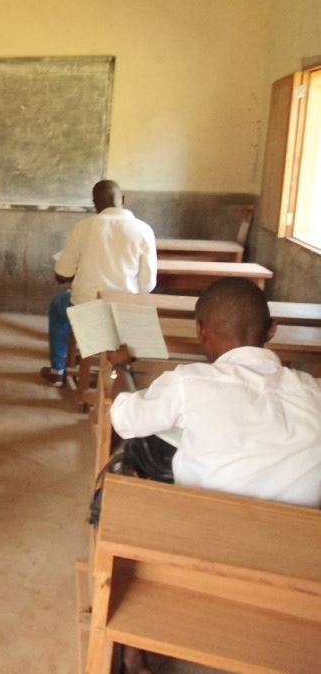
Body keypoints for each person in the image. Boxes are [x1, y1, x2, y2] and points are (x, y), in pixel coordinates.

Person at [106, 277, 321, 674]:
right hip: (301, 575)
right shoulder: (314, 392)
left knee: (126, 465)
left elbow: (123, 418)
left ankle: (131, 651)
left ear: (201, 332)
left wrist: (120, 369)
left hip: (201, 559)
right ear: (272, 331)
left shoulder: (189, 382)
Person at [41, 180, 156, 386]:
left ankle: (57, 370)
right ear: (123, 199)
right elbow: (147, 285)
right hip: (125, 309)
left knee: (58, 306)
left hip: (88, 308)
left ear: (94, 203)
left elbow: (62, 273)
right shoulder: (144, 230)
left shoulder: (84, 227)